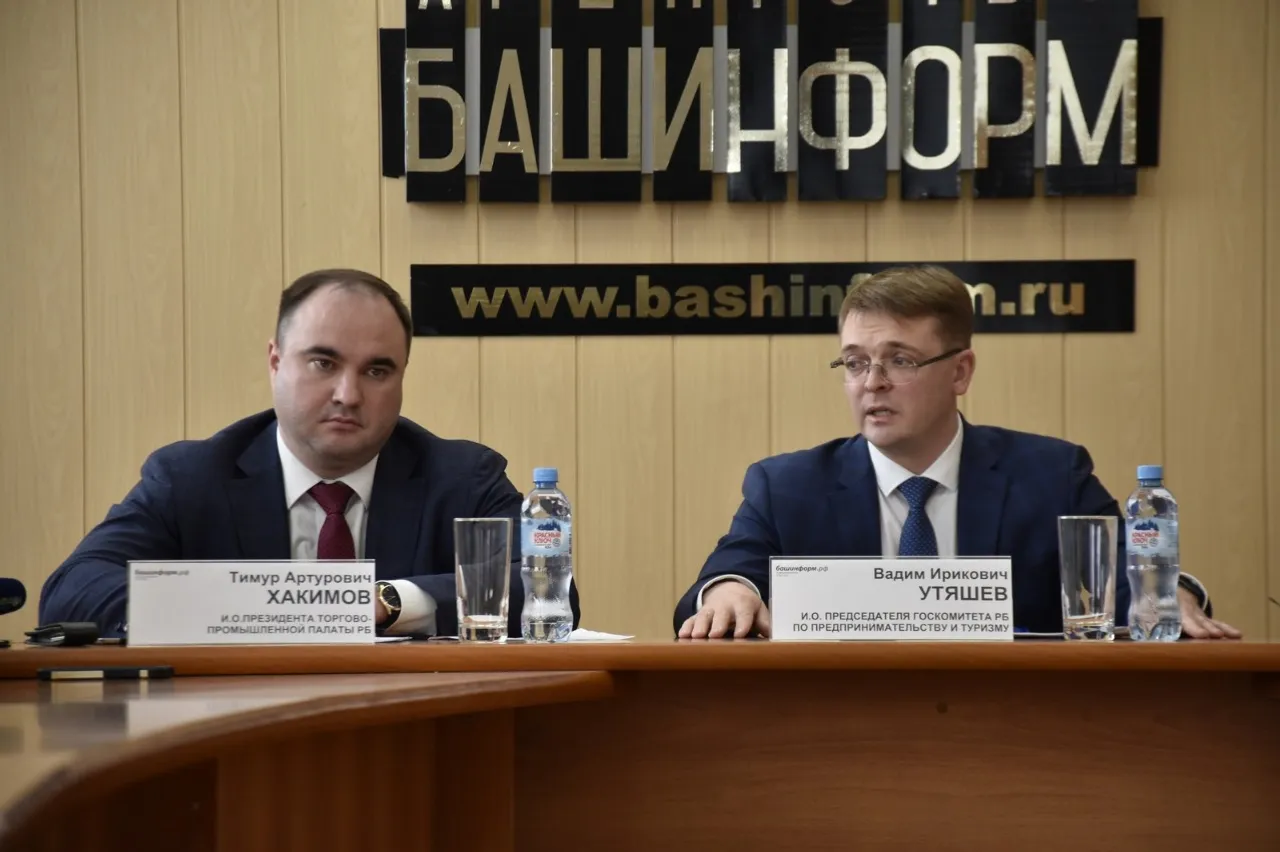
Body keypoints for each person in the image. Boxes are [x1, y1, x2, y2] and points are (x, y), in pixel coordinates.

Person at [674, 265, 1239, 641]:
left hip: (1018, 736)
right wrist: (730, 589)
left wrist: (1171, 596)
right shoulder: (787, 486)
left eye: (900, 360)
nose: (872, 382)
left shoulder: (1052, 477)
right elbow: (727, 576)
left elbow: (1130, 585)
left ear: (960, 372)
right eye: (854, 362)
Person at [40, 269, 580, 638]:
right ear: (275, 362)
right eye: (323, 363)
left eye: (377, 370)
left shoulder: (460, 476)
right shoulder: (191, 477)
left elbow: (550, 594)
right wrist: (274, 607)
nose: (348, 394)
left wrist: (386, 601)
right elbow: (73, 591)